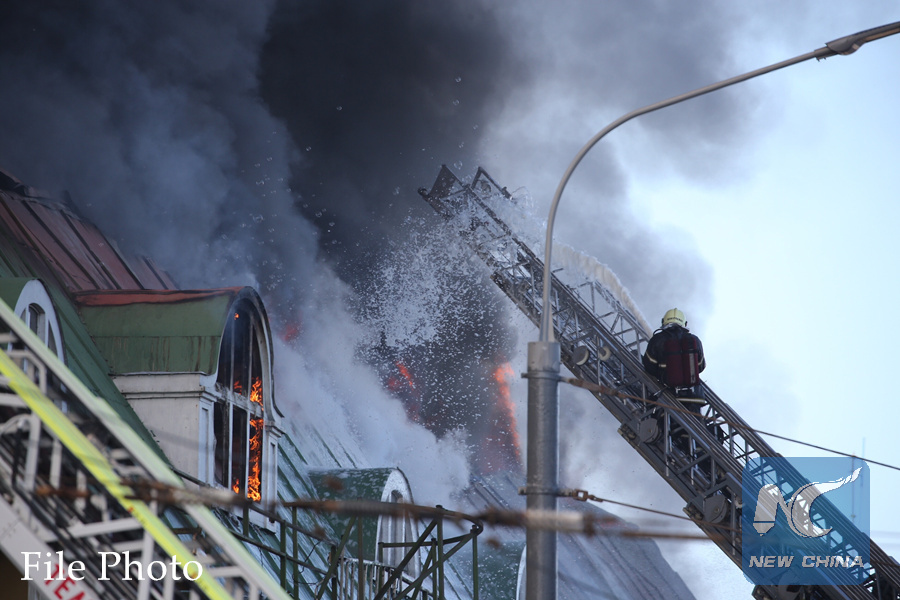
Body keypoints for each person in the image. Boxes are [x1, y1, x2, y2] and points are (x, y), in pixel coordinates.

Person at [642, 308, 706, 410]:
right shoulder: (695, 340)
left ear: (663, 321)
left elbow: (649, 366)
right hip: (694, 398)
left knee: (664, 420)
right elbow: (701, 366)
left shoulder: (657, 340)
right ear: (685, 323)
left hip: (668, 398)